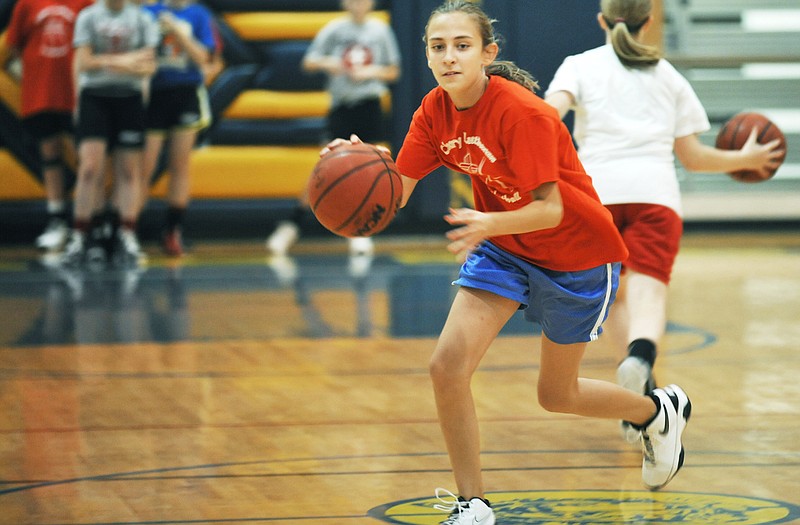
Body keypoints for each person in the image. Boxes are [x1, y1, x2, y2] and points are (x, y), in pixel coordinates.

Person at [322, 2, 692, 523]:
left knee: (556, 395)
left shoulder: (523, 113)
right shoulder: (433, 111)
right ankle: (473, 504)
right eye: (437, 47)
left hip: (577, 256)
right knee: (446, 367)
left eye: (462, 45)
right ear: (427, 55)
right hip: (504, 248)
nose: (449, 57)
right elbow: (396, 191)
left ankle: (657, 412)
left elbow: (550, 209)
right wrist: (361, 164)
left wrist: (486, 224)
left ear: (487, 52)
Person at [544, 0, 783, 444]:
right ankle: (641, 358)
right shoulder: (667, 74)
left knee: (615, 297)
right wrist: (745, 158)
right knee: (649, 291)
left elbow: (546, 117)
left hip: (596, 196)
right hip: (656, 196)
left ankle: (640, 390)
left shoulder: (578, 66)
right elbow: (692, 157)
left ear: (602, 20)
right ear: (649, 20)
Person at [266, 0, 401, 259]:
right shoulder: (334, 29)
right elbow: (309, 62)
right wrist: (331, 64)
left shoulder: (380, 30)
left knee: (372, 171)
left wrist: (369, 72)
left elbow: (393, 71)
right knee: (326, 169)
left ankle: (362, 232)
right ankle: (291, 225)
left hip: (369, 105)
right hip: (341, 107)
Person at [62, 0, 160, 267]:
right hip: (95, 98)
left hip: (129, 99)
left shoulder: (142, 19)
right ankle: (81, 235)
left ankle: (126, 233)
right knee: (90, 169)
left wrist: (105, 61)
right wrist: (129, 61)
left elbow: (149, 66)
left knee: (129, 171)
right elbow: (84, 62)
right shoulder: (88, 17)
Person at [4, 0, 94, 251]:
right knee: (50, 155)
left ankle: (87, 222)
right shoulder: (26, 4)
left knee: (88, 160)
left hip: (76, 94)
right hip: (40, 94)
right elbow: (12, 45)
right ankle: (57, 219)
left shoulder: (86, 3)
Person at [139, 0, 216, 257]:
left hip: (185, 93)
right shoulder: (149, 12)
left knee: (180, 165)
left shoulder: (198, 14)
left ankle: (173, 230)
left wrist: (178, 32)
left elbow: (204, 58)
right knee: (144, 167)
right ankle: (125, 230)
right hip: (155, 94)